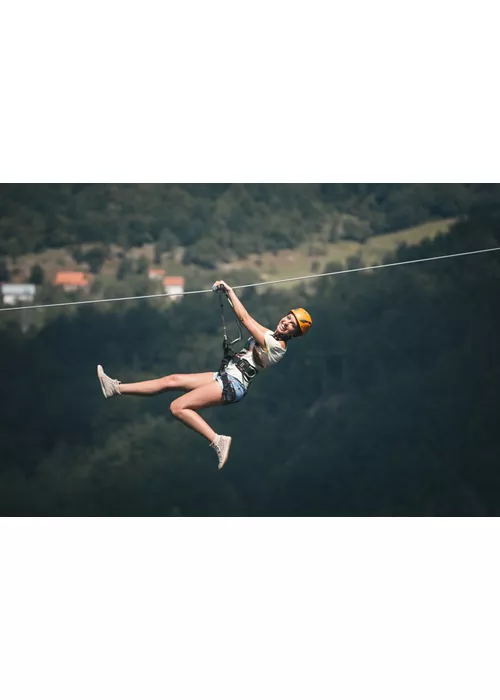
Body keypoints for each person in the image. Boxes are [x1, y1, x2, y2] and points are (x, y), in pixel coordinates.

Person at [97, 280, 312, 470]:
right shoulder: (269, 334)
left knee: (177, 407)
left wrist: (230, 291)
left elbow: (246, 320)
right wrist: (228, 295)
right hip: (225, 376)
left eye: (292, 324)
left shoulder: (277, 346)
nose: (286, 322)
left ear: (295, 334)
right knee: (171, 380)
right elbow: (250, 320)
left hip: (233, 384)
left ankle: (217, 440)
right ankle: (115, 388)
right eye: (288, 317)